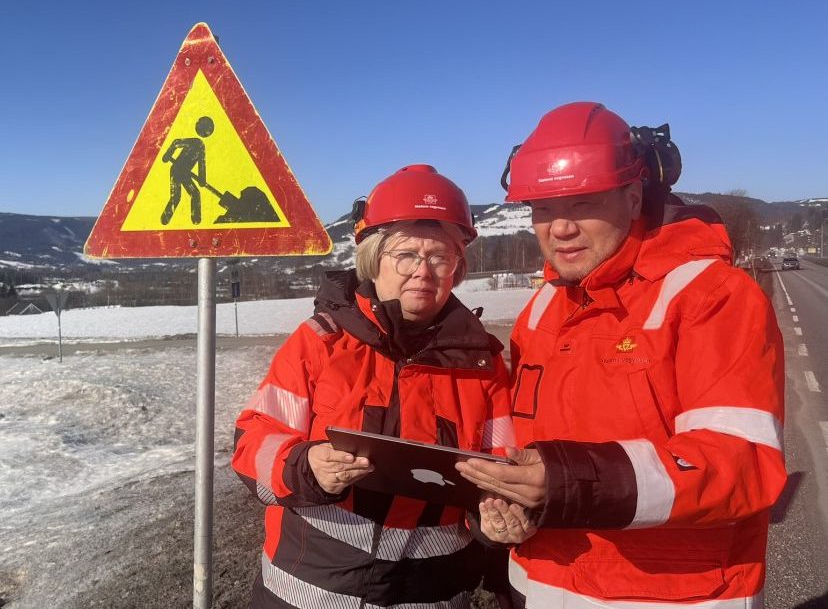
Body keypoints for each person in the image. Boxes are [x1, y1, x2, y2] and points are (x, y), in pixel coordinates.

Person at [456, 102, 786, 608]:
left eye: (582, 203)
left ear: (633, 198)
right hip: (540, 584)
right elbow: (519, 440)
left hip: (672, 594)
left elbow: (742, 463)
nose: (559, 228)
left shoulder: (711, 296)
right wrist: (500, 496)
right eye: (542, 209)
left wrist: (566, 480)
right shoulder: (542, 307)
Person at [231, 164, 516, 608]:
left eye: (440, 256)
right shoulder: (321, 341)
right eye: (406, 255)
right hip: (304, 594)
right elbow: (253, 442)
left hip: (432, 596)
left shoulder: (485, 364)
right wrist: (307, 466)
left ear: (457, 266)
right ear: (374, 258)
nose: (423, 271)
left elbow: (503, 470)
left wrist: (496, 517)